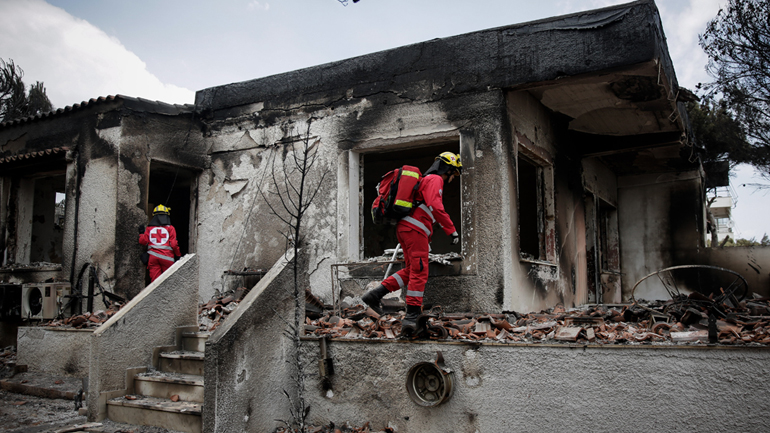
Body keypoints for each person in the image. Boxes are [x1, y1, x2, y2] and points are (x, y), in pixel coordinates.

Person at [362, 152, 462, 335]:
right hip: (415, 230)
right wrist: (451, 230)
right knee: (420, 271)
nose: (452, 179)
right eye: (453, 174)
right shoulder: (435, 179)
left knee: (411, 271)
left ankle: (375, 295)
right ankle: (412, 316)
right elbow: (436, 205)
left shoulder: (425, 180)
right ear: (447, 169)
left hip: (407, 229)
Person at [138, 204, 181, 282]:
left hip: (153, 258)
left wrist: (141, 233)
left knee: (155, 283)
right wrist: (178, 256)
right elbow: (174, 244)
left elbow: (143, 241)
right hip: (167, 258)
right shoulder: (171, 228)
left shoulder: (149, 228)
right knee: (169, 281)